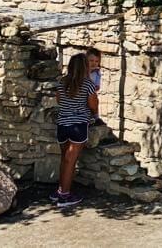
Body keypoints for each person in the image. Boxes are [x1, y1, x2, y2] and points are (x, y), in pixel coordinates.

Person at [51, 53, 98, 208]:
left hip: (62, 124)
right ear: (85, 67)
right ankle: (64, 196)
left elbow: (59, 100)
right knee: (71, 161)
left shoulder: (62, 82)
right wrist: (94, 114)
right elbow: (93, 104)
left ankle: (60, 190)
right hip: (78, 125)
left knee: (64, 158)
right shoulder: (88, 84)